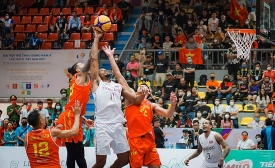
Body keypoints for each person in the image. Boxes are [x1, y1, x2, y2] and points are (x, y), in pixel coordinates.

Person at [90, 31, 145, 168]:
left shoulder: (117, 86)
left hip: (117, 125)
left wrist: (143, 93)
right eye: (101, 70)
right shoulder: (97, 84)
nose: (103, 70)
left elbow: (136, 100)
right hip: (102, 125)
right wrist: (96, 39)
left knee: (124, 159)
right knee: (100, 162)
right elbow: (94, 59)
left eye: (104, 69)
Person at [58, 46, 95, 167]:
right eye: (81, 64)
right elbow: (90, 63)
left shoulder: (84, 79)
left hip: (77, 115)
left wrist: (83, 118)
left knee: (79, 152)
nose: (83, 65)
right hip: (70, 115)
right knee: (73, 152)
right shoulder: (79, 77)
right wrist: (95, 45)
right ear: (78, 70)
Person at [25, 101, 83, 168]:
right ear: (41, 121)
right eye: (43, 117)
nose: (45, 118)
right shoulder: (52, 133)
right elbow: (74, 132)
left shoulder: (26, 137)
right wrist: (77, 115)